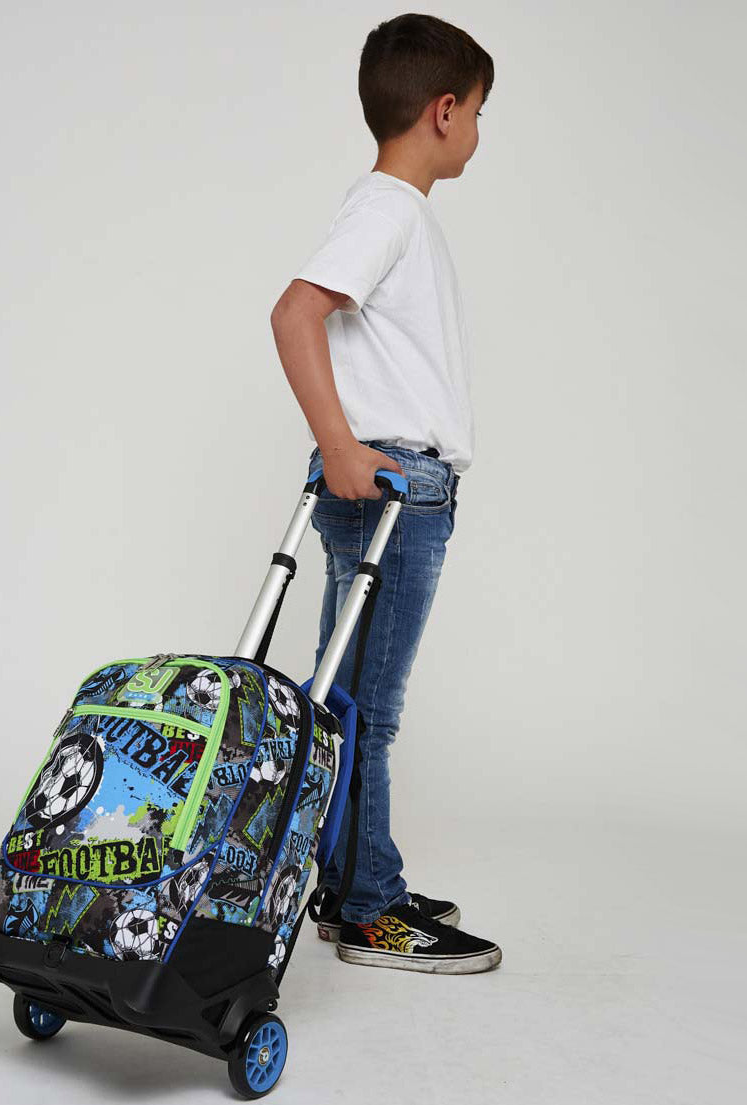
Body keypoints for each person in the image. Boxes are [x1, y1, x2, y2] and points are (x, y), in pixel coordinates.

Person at [270, 14, 501, 973]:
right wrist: (340, 444)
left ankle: (351, 880)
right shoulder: (389, 211)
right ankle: (370, 906)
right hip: (394, 488)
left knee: (345, 702)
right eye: (479, 112)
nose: (479, 130)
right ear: (444, 112)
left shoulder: (390, 212)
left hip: (390, 484)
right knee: (370, 710)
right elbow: (295, 313)